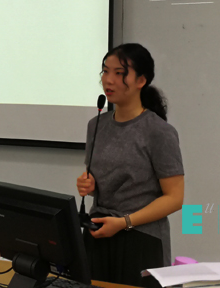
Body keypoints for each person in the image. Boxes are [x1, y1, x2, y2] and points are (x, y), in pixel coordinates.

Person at [76, 43, 184, 288]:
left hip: (140, 238)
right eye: (105, 71)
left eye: (119, 73)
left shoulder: (159, 132)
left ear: (141, 81)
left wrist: (124, 222)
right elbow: (105, 181)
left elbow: (175, 198)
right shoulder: (96, 124)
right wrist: (89, 184)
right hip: (98, 232)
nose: (108, 80)